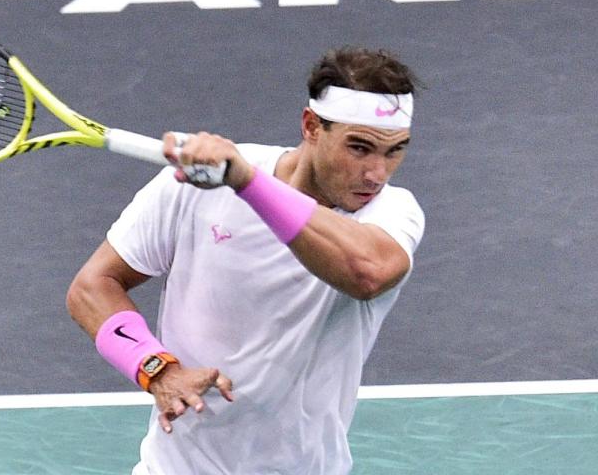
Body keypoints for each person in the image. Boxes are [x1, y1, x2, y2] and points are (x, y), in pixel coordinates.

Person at [66, 47, 426, 475]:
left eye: (394, 151)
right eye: (360, 148)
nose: (376, 174)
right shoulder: (195, 186)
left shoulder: (390, 212)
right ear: (312, 126)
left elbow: (367, 274)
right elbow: (93, 286)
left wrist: (246, 183)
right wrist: (156, 369)